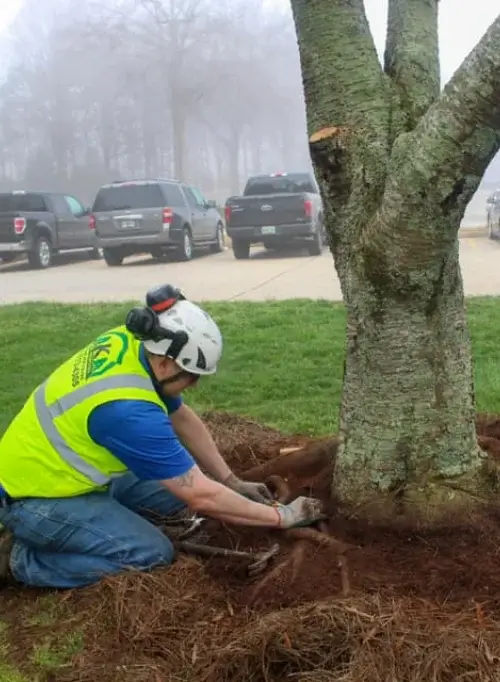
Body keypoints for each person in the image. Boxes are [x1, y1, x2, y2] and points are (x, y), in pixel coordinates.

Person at [0, 284, 323, 588]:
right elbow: (201, 496)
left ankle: (100, 526)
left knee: (173, 499)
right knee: (151, 554)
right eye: (192, 376)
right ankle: (21, 561)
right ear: (168, 364)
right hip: (35, 499)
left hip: (64, 473)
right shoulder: (129, 412)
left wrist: (230, 481)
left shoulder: (132, 344)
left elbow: (181, 416)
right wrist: (282, 517)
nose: (195, 384)